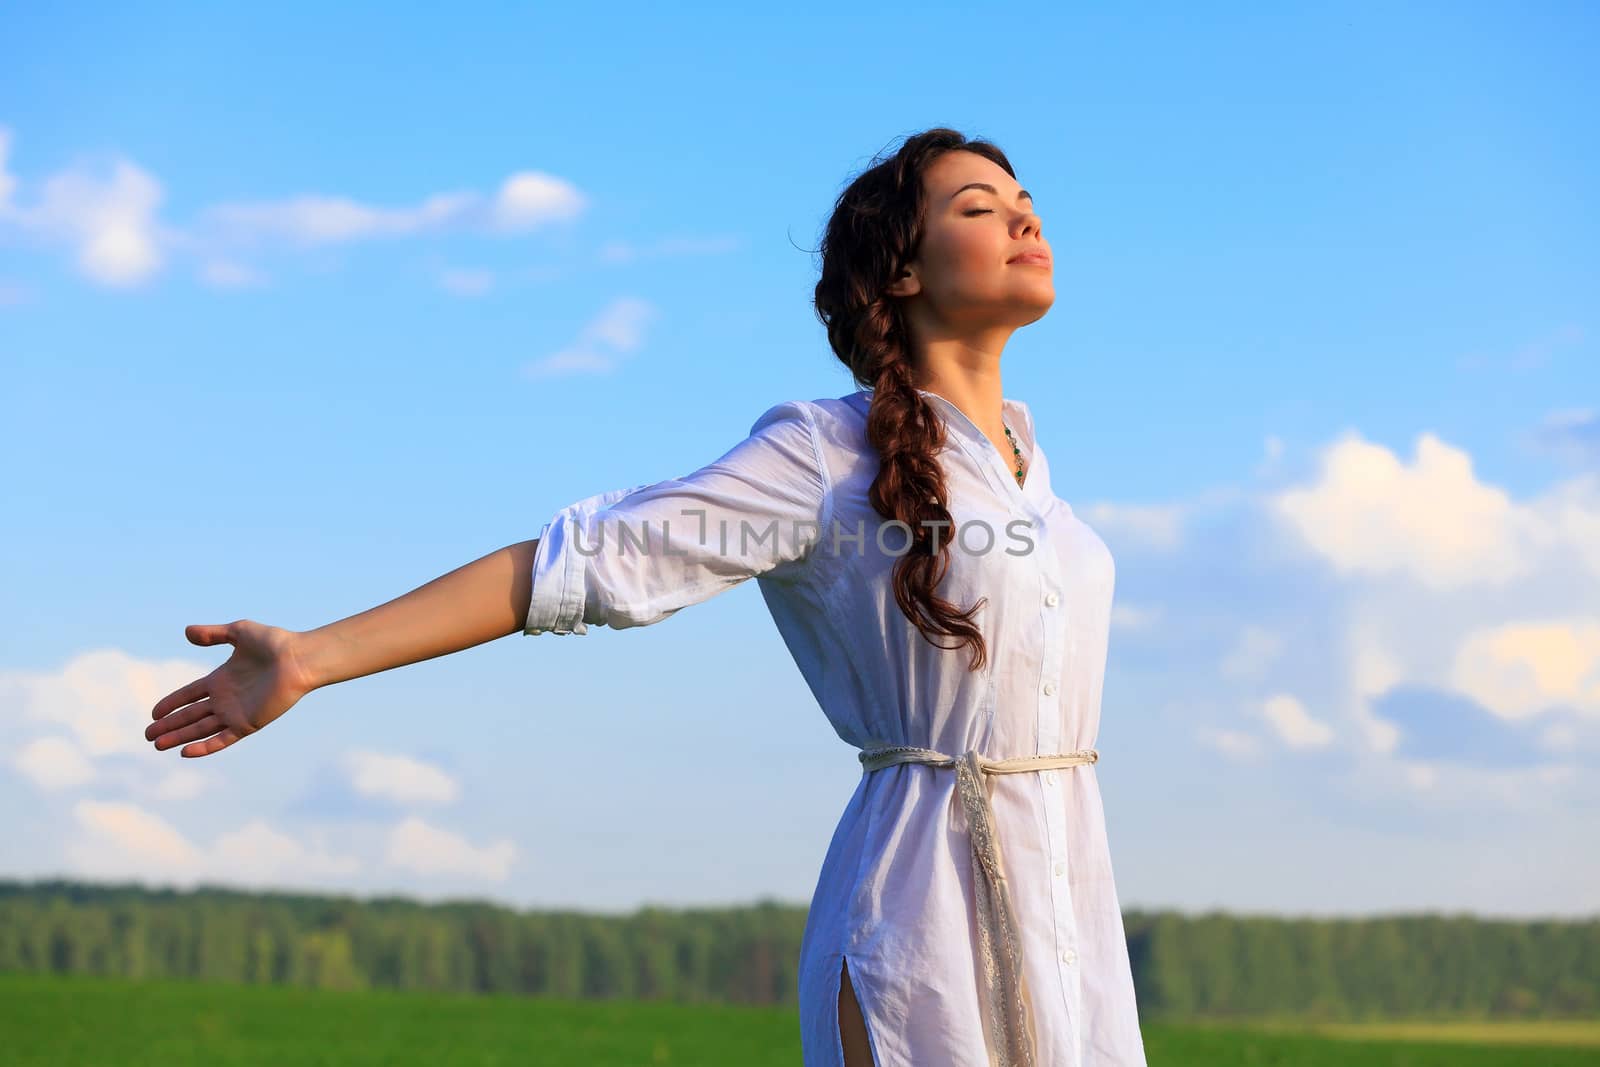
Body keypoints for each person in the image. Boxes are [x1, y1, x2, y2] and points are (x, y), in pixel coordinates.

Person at [145, 127, 1148, 1067]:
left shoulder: (1033, 474)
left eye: (1026, 201)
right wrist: (315, 655)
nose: (1026, 220)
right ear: (899, 268)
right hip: (926, 896)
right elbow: (584, 565)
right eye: (980, 206)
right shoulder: (824, 454)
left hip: (1072, 893)